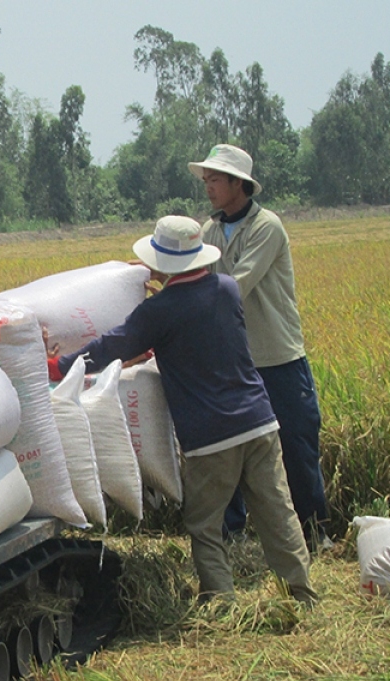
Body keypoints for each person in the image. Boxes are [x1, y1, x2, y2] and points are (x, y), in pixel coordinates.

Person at [47, 216, 316, 604]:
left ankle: (221, 603)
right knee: (277, 512)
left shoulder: (160, 310)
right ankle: (301, 592)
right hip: (260, 422)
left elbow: (113, 345)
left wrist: (59, 366)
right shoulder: (226, 289)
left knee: (205, 523)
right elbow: (197, 330)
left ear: (164, 264)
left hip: (212, 437)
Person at [189, 144, 330, 549]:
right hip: (234, 360)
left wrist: (177, 300)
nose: (209, 188)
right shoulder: (211, 230)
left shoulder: (267, 226)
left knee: (296, 446)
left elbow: (236, 285)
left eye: (215, 180)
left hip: (278, 358)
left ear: (239, 184)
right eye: (207, 180)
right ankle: (234, 535)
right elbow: (194, 275)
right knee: (229, 446)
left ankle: (314, 530)